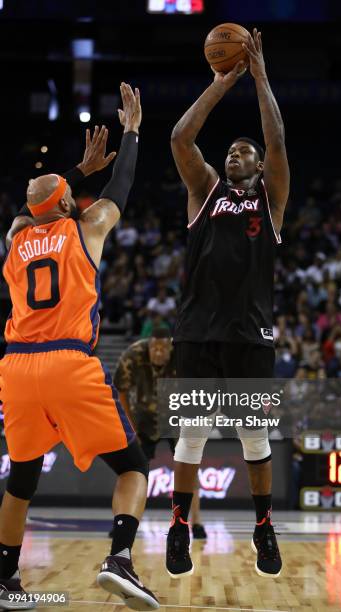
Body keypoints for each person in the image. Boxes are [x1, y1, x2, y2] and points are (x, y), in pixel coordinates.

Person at [0, 83, 159, 611]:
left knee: (21, 479)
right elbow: (123, 185)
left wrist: (71, 175)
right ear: (69, 204)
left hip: (16, 367)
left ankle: (5, 582)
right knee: (135, 467)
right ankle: (119, 559)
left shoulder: (16, 237)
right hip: (69, 360)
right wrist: (132, 132)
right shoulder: (87, 228)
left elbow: (37, 205)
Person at [167, 29, 289, 578]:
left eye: (245, 152)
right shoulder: (205, 193)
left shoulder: (271, 196)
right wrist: (221, 84)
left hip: (250, 335)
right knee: (191, 434)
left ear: (258, 167)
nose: (235, 153)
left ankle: (263, 527)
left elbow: (278, 142)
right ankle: (177, 526)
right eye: (231, 151)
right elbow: (179, 137)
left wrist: (260, 78)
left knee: (253, 437)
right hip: (196, 331)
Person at [113, 328, 207, 539]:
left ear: (169, 348)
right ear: (149, 346)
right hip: (144, 419)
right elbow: (120, 390)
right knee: (132, 471)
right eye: (154, 348)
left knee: (190, 469)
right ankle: (123, 523)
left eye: (162, 349)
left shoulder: (183, 355)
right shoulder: (133, 354)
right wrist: (129, 425)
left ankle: (197, 523)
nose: (158, 353)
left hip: (177, 418)